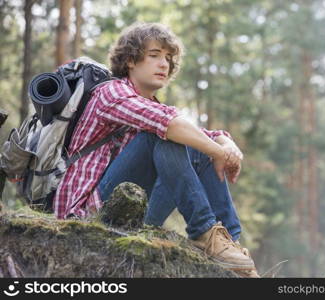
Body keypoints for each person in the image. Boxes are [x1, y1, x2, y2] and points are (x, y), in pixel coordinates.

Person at [53, 22, 259, 278]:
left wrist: (225, 144)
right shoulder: (110, 93)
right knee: (162, 136)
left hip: (133, 209)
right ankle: (204, 232)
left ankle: (229, 245)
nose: (164, 64)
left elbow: (198, 135)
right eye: (154, 55)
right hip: (87, 215)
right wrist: (218, 151)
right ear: (130, 61)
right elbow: (168, 124)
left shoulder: (151, 105)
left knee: (194, 145)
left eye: (169, 58)